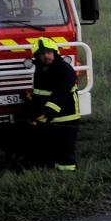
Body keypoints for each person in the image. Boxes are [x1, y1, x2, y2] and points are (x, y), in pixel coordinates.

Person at [22, 36, 80, 171]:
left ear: (55, 52)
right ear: (37, 57)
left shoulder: (64, 69)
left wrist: (47, 113)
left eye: (48, 52)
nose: (46, 56)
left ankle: (69, 176)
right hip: (49, 118)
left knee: (65, 152)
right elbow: (41, 93)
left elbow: (61, 94)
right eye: (41, 54)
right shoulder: (41, 69)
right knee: (52, 150)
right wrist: (31, 100)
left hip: (66, 117)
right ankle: (54, 172)